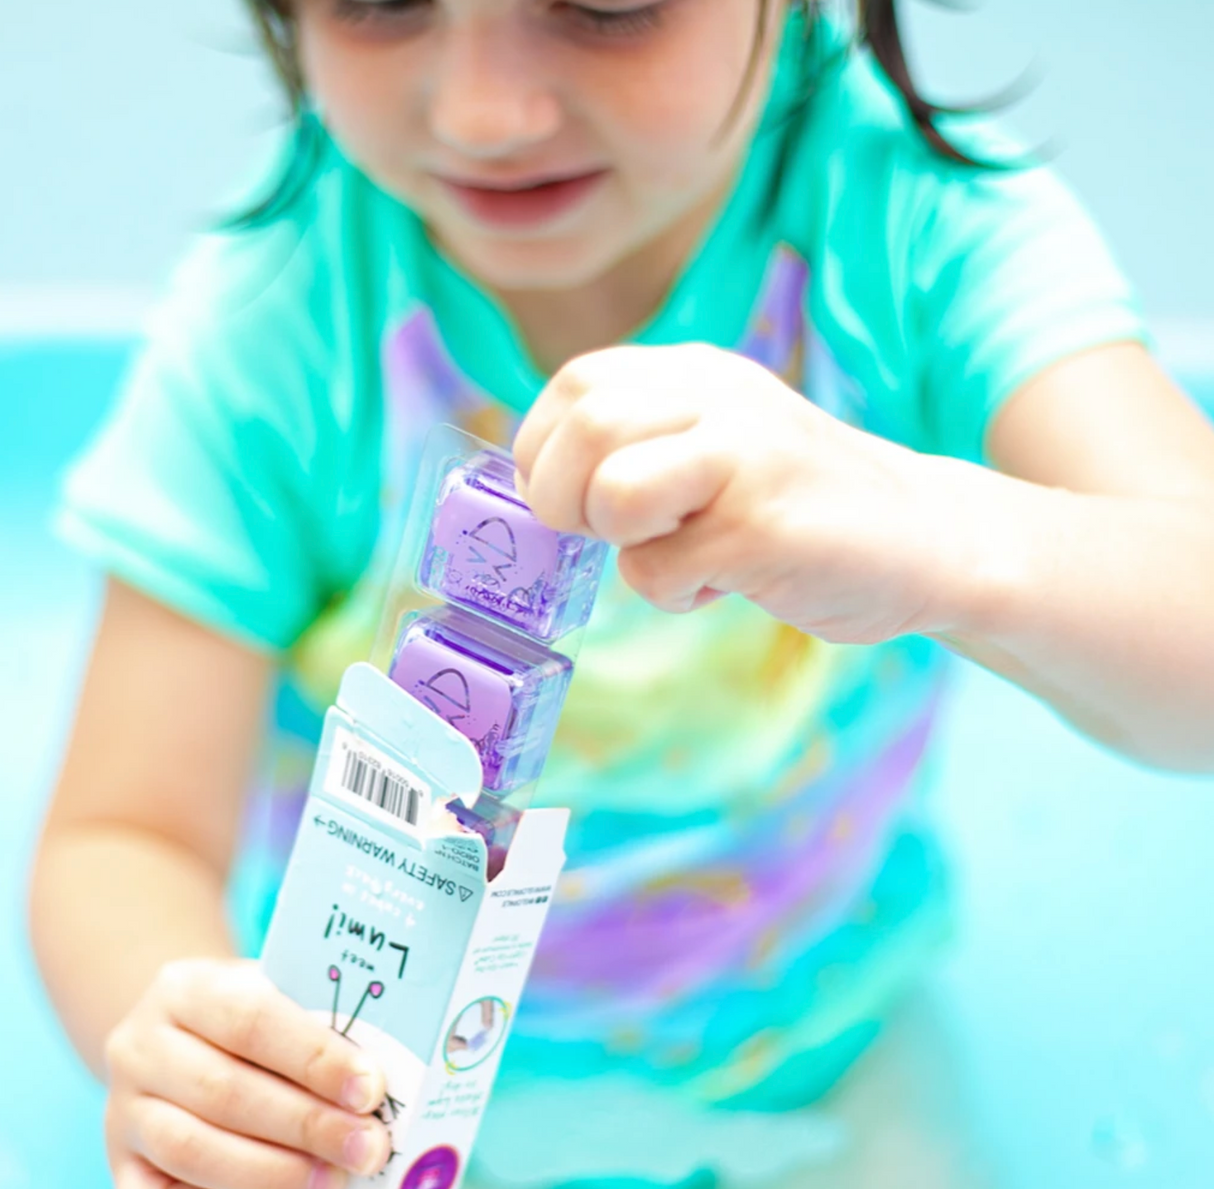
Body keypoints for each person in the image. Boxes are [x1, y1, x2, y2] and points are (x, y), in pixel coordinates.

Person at [30, 0, 1214, 1186]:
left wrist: (931, 528)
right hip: (362, 1079)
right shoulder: (289, 316)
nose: (485, 115)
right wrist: (209, 1067)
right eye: (380, 1)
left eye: (604, 4)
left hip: (818, 1037)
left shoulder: (908, 229)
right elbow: (124, 835)